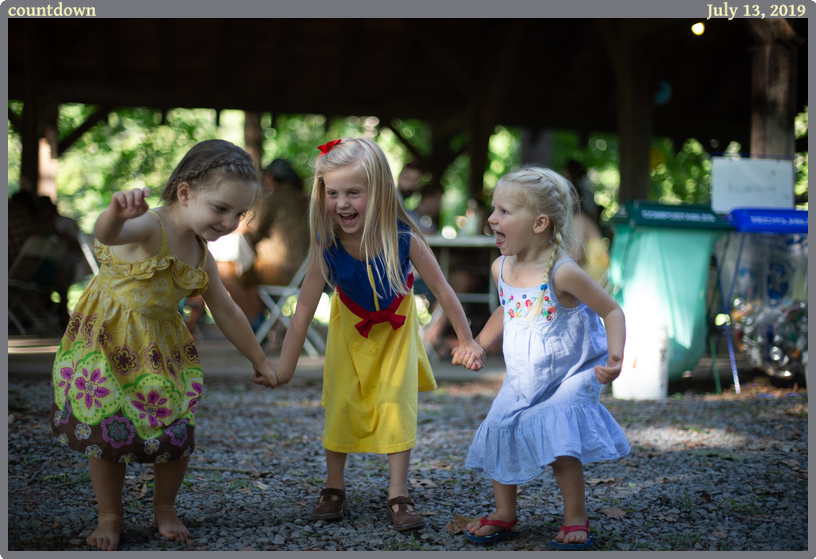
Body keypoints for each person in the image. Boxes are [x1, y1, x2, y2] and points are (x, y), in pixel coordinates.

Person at [49, 139, 279, 551]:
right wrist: (114, 214)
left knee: (177, 426)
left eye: (239, 214)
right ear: (185, 192)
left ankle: (165, 506)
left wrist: (260, 359)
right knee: (107, 429)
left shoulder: (201, 253)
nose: (229, 222)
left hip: (161, 348)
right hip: (109, 343)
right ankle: (110, 515)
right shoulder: (148, 226)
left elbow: (227, 311)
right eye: (221, 208)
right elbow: (108, 233)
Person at [253, 138, 485, 531]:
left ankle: (398, 492)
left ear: (378, 193)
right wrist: (284, 369)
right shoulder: (327, 245)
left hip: (395, 332)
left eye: (353, 193)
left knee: (396, 404)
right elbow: (303, 309)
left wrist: (467, 340)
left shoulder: (404, 239)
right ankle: (334, 485)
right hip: (350, 330)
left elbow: (444, 290)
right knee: (342, 401)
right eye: (333, 193)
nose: (342, 203)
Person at [452, 166, 630, 550]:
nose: (492, 218)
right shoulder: (502, 267)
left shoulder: (563, 272)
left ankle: (575, 516)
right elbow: (507, 309)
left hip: (571, 373)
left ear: (539, 224)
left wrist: (615, 356)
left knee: (559, 438)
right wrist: (479, 344)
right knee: (501, 426)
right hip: (524, 376)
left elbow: (612, 310)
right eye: (493, 209)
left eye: (504, 211)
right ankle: (505, 513)